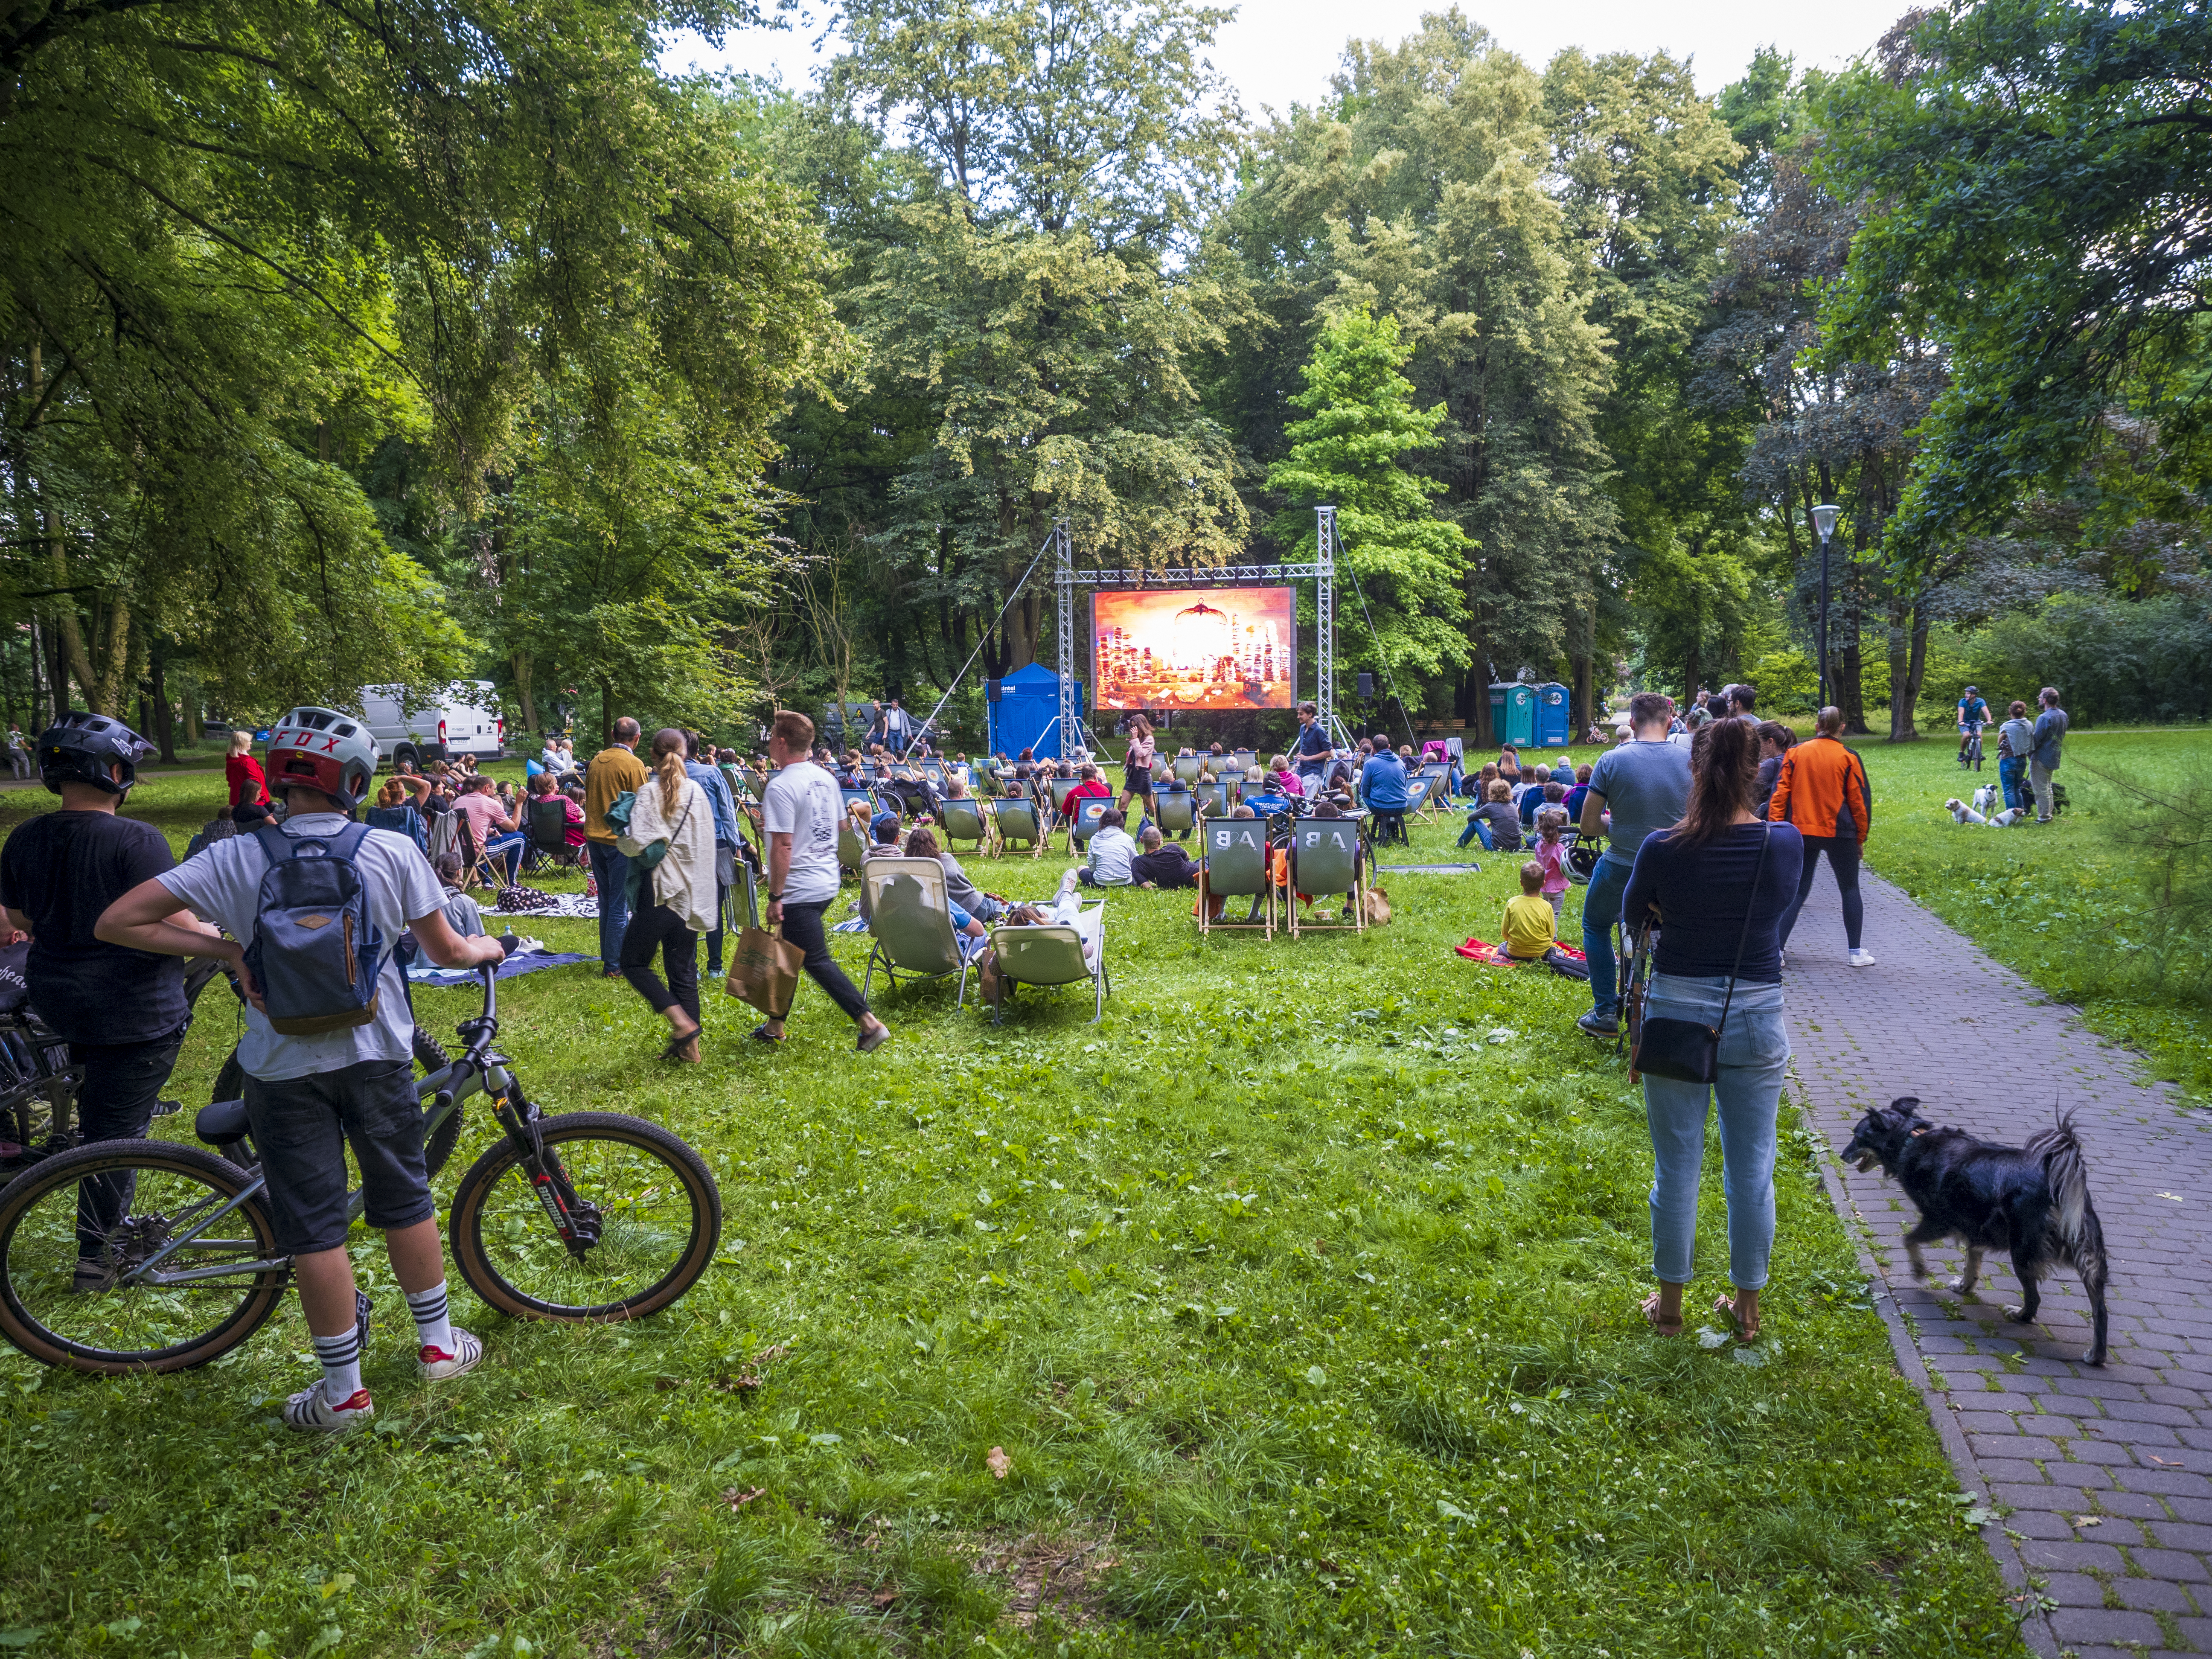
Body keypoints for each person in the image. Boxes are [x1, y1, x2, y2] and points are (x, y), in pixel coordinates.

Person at [97, 708, 506, 1430]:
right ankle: (439, 1347)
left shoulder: (234, 855)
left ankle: (343, 1393)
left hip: (279, 1064)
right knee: (404, 1197)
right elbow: (446, 951)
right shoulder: (388, 849)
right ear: (353, 779)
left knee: (315, 1227)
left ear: (280, 776)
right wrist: (491, 949)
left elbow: (119, 921)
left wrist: (227, 951)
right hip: (378, 1053)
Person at [1620, 717, 1800, 1344]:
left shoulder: (1663, 847)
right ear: (1757, 770)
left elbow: (1632, 915)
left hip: (1677, 1011)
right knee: (1752, 1167)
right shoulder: (1784, 842)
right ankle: (1747, 1313)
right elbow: (1779, 910)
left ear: (1693, 770)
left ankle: (1669, 1311)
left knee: (1677, 1166)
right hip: (1756, 1012)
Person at [0, 713, 198, 1281]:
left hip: (58, 1000)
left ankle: (102, 1232)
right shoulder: (137, 840)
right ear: (114, 772)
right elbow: (176, 918)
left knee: (102, 1108)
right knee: (118, 1135)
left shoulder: (26, 836)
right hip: (132, 1009)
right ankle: (100, 1256)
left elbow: (17, 917)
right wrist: (219, 941)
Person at [758, 710, 890, 1051]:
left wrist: (775, 897)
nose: (770, 741)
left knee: (815, 960)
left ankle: (870, 1024)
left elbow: (784, 845)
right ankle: (775, 1025)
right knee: (788, 952)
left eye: (772, 736)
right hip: (826, 880)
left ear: (782, 742)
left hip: (799, 887)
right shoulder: (826, 779)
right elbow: (842, 827)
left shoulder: (781, 786)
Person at [1576, 690, 1694, 1038]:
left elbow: (1588, 826)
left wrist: (1617, 825)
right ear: (1670, 722)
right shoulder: (1689, 760)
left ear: (1632, 722)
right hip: (1678, 869)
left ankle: (1604, 1014)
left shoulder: (1611, 761)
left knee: (1595, 925)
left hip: (1624, 866)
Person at [617, 729, 715, 1064]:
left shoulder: (648, 792)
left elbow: (634, 843)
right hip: (690, 895)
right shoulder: (698, 792)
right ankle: (691, 1051)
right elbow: (706, 844)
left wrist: (620, 832)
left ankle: (682, 1024)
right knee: (683, 969)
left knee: (631, 962)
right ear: (685, 754)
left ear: (653, 755)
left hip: (660, 893)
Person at [1768, 705, 1873, 967]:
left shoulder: (1795, 753)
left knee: (1798, 890)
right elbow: (1860, 803)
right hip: (1841, 832)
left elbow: (1779, 795)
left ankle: (1777, 951)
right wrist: (1860, 838)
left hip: (1801, 831)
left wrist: (1775, 829)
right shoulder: (1849, 757)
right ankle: (1856, 952)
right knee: (1850, 889)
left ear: (1817, 726)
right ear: (1842, 728)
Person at [585, 718, 649, 978]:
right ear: (637, 738)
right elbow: (645, 806)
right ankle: (614, 965)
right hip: (618, 842)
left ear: (613, 734)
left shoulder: (596, 762)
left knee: (607, 901)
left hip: (594, 838)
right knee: (619, 905)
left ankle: (610, 956)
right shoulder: (634, 765)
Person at [684, 732, 742, 979]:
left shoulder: (665, 777)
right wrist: (735, 844)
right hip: (715, 845)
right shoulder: (711, 773)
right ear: (697, 751)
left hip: (681, 850)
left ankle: (690, 968)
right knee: (714, 909)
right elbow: (728, 812)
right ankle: (715, 968)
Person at [453, 774, 525, 888]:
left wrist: (491, 830)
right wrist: (519, 803)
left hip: (460, 850)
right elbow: (513, 827)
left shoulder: (458, 801)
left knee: (482, 840)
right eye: (494, 789)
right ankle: (511, 883)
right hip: (478, 852)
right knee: (520, 837)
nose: (495, 792)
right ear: (487, 788)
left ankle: (487, 882)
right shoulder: (491, 803)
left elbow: (472, 828)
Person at [1491, 861, 1563, 966]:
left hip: (1515, 952)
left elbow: (1505, 931)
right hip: (1541, 953)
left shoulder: (1512, 902)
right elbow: (1551, 935)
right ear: (1543, 884)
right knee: (1558, 952)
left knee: (1503, 946)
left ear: (1521, 883)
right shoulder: (1547, 906)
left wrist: (1517, 944)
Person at [2030, 686, 2068, 824]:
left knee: (2041, 789)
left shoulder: (2044, 718)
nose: (2039, 700)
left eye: (2040, 698)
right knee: (2048, 787)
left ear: (2045, 700)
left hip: (2041, 756)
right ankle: (2049, 814)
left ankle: (2044, 817)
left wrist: (2028, 752)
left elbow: (2037, 739)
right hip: (2055, 755)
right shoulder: (2063, 715)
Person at [1359, 742, 1410, 842]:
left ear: (1373, 748)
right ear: (1389, 746)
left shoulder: (1371, 763)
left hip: (1380, 807)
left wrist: (1366, 796)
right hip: (1402, 805)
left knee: (1361, 798)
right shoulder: (1400, 761)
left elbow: (1365, 788)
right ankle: (1390, 832)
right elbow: (1405, 784)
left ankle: (1362, 834)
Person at [1080, 809, 1139, 886]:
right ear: (1121, 821)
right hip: (1126, 882)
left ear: (1102, 821)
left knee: (1080, 869)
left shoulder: (1095, 839)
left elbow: (1092, 864)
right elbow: (1135, 860)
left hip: (1101, 883)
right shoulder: (1128, 838)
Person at [1531, 807, 1570, 920]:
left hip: (1544, 885)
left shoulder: (1539, 844)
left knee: (1546, 914)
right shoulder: (1558, 848)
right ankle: (1553, 936)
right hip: (1556, 888)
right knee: (1554, 916)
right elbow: (1564, 867)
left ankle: (1545, 933)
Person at [1996, 699, 2034, 814]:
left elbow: (2000, 741)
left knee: (2009, 790)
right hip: (2022, 760)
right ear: (2024, 712)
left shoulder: (2007, 726)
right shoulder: (2029, 725)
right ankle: (2020, 812)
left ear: (2010, 712)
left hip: (2008, 760)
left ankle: (2011, 815)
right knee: (2017, 788)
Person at [1131, 825, 1199, 890]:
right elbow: (1188, 857)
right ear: (1159, 842)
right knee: (1204, 860)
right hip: (1198, 875)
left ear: (1142, 840)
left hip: (1182, 883)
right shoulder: (1172, 848)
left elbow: (1149, 888)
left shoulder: (1137, 863)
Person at [1751, 722, 1795, 818]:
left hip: (1773, 820)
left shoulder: (1770, 765)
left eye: (1758, 743)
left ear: (1771, 742)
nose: (1757, 749)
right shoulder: (1793, 760)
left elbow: (1751, 793)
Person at [1119, 715, 1157, 816]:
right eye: (1132, 727)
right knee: (1123, 804)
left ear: (1141, 726)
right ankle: (1120, 829)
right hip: (1132, 775)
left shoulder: (1149, 739)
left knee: (1151, 807)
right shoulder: (1136, 739)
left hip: (1143, 775)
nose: (1134, 730)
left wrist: (1135, 739)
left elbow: (1141, 754)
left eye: (1136, 726)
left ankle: (1164, 828)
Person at [1292, 700, 1332, 787]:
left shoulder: (1319, 730)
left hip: (1313, 773)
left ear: (1310, 714)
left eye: (1301, 714)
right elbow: (1303, 748)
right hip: (1301, 771)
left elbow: (1328, 752)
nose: (1298, 717)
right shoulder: (1302, 728)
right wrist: (1295, 766)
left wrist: (1307, 758)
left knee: (1307, 801)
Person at [225, 729, 267, 808]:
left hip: (237, 797)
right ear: (243, 744)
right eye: (249, 741)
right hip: (252, 801)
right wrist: (263, 796)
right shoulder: (248, 762)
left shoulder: (232, 760)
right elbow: (254, 782)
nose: (251, 743)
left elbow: (229, 779)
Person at [1955, 684, 1992, 770]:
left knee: (1979, 734)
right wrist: (1961, 722)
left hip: (1976, 722)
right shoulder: (1963, 701)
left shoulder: (1980, 701)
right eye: (1966, 693)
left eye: (1968, 694)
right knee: (1967, 735)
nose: (1966, 695)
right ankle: (1962, 752)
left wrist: (1989, 720)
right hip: (1964, 722)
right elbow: (1961, 713)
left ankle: (1979, 754)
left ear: (1974, 695)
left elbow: (1986, 712)